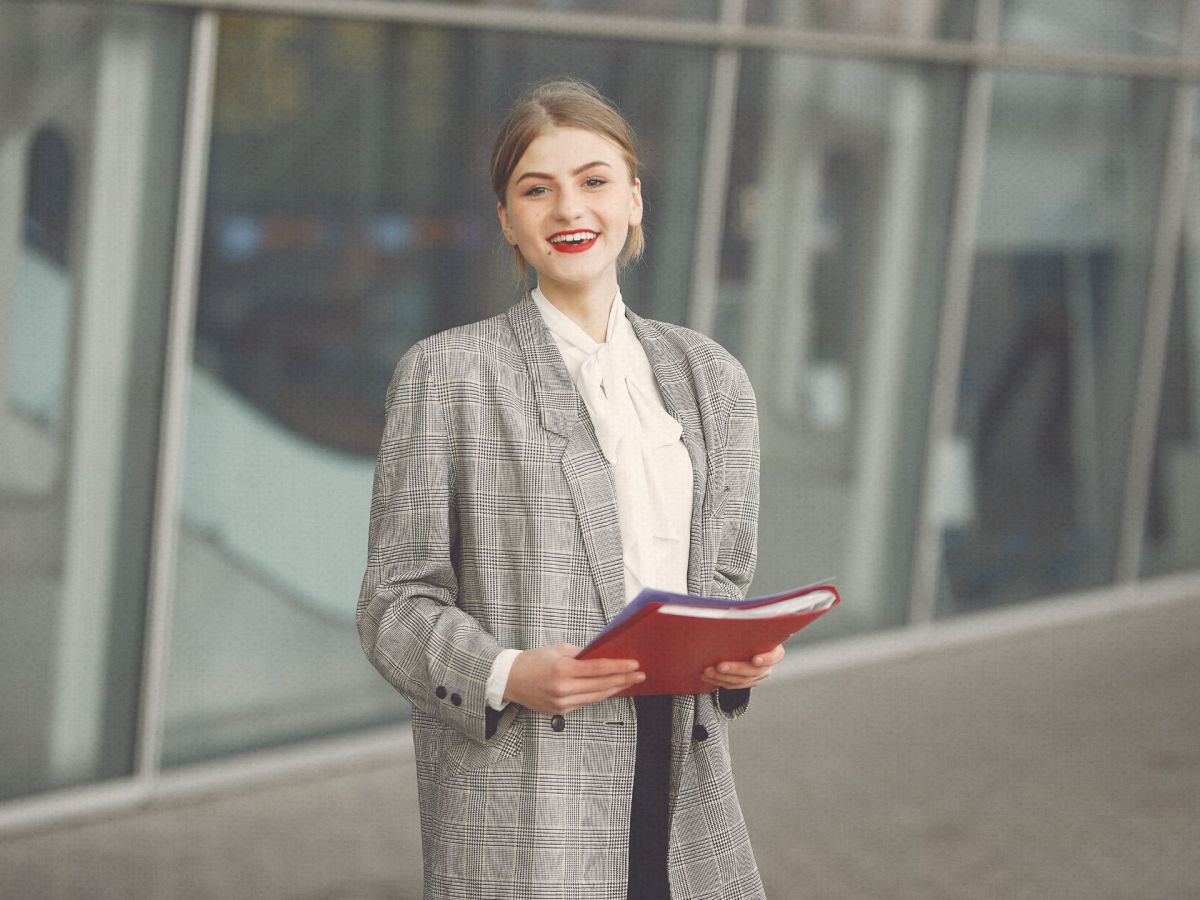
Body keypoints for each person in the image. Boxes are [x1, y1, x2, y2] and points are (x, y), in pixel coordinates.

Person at [357, 78, 783, 900]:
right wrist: (507, 672)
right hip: (528, 790)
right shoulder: (447, 375)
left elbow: (724, 578)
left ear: (632, 197)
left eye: (592, 180)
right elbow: (393, 604)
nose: (567, 208)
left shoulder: (712, 379)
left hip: (683, 781)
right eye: (535, 188)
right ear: (508, 221)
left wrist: (735, 658)